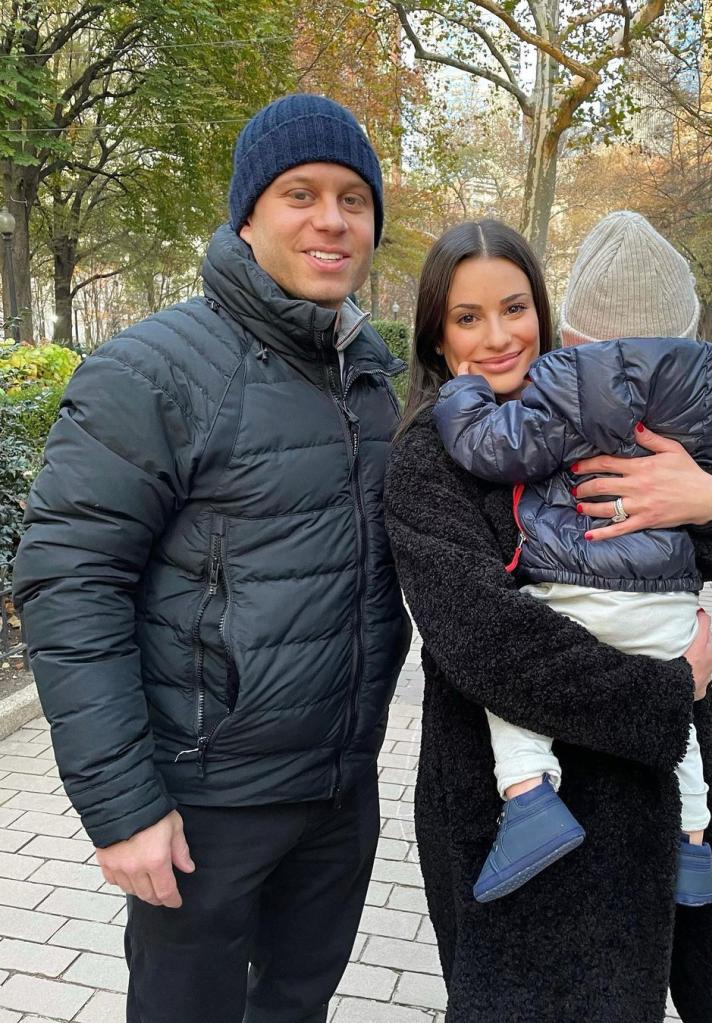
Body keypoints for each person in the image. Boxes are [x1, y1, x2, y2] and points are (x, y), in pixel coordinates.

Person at [13, 93, 412, 1023]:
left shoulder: (370, 377)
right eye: (300, 193)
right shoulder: (154, 368)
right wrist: (121, 810)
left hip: (337, 790)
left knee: (295, 1005)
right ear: (247, 213)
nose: (331, 220)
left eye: (354, 199)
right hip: (201, 807)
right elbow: (70, 585)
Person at [384, 218, 712, 1022]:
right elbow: (487, 641)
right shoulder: (432, 455)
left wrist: (710, 498)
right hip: (514, 807)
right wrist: (666, 693)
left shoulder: (600, 413)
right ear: (436, 333)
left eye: (514, 307)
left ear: (547, 313)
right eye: (465, 317)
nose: (496, 336)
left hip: (645, 797)